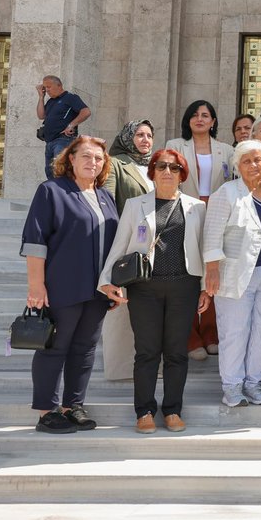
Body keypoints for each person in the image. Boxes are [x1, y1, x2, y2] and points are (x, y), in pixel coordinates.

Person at [98, 149, 209, 434]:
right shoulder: (136, 205)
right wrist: (106, 280)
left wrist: (205, 288)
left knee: (176, 353)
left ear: (182, 173)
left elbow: (203, 250)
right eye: (162, 166)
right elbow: (120, 244)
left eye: (174, 167)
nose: (168, 171)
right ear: (153, 171)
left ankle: (173, 410)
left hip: (183, 287)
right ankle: (144, 410)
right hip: (144, 288)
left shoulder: (196, 207)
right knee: (146, 352)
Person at [21, 136, 119, 434]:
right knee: (55, 347)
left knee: (85, 349)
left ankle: (72, 406)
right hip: (63, 286)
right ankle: (46, 412)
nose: (93, 162)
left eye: (99, 158)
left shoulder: (105, 196)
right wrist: (36, 286)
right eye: (86, 156)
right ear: (71, 159)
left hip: (97, 290)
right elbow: (35, 242)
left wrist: (114, 284)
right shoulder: (52, 191)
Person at [203, 140, 261, 408]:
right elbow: (211, 233)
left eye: (258, 160)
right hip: (234, 274)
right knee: (235, 331)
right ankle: (232, 387)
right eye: (246, 161)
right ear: (237, 165)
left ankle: (254, 383)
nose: (253, 165)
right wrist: (211, 270)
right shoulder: (227, 192)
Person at [166, 100, 232, 361]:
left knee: (214, 272)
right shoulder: (175, 146)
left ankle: (211, 332)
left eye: (206, 115)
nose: (200, 119)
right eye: (194, 115)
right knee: (189, 273)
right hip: (185, 213)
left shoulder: (226, 150)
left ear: (214, 121)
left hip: (217, 214)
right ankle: (190, 336)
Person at [100, 120, 156, 381]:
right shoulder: (116, 163)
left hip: (156, 249)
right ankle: (122, 369)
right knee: (122, 311)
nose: (145, 139)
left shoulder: (157, 165)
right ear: (127, 137)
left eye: (149, 135)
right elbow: (107, 203)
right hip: (127, 246)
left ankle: (153, 366)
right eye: (139, 134)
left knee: (150, 311)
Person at [35, 75, 91, 180]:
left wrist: (71, 125)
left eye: (49, 87)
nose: (47, 90)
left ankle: (63, 194)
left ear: (59, 85)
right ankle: (55, 194)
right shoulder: (51, 101)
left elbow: (86, 112)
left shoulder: (70, 98)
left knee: (60, 170)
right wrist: (41, 97)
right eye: (45, 87)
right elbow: (41, 115)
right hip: (49, 141)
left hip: (63, 140)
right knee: (50, 172)